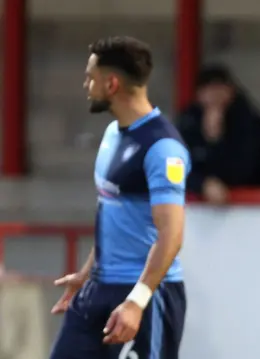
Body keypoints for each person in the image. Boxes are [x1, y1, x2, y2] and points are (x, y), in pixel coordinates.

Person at [49, 36, 190, 359]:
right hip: (98, 288)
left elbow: (171, 235)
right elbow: (116, 215)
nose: (85, 84)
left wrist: (136, 302)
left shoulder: (163, 148)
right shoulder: (114, 134)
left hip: (145, 295)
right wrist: (86, 273)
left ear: (112, 83)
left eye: (90, 77)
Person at [177, 64, 260, 204]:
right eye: (209, 90)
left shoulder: (248, 120)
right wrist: (202, 184)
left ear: (231, 92)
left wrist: (217, 140)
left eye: (220, 89)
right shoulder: (188, 121)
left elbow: (250, 168)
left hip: (246, 206)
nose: (215, 96)